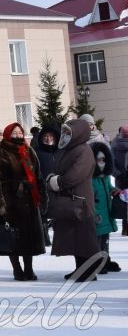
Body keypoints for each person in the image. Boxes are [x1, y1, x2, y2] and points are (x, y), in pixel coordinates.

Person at [45, 120, 102, 282]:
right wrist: (53, 179)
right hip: (71, 199)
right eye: (65, 132)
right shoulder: (68, 150)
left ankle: (89, 271)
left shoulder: (83, 150)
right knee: (75, 237)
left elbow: (75, 175)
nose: (65, 136)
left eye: (69, 133)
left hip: (80, 199)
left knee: (85, 237)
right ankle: (80, 269)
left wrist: (57, 182)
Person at [0, 123, 46, 281]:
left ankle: (29, 268)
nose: (18, 135)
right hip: (10, 201)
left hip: (29, 201)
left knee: (28, 237)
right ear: (8, 134)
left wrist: (41, 197)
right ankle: (17, 269)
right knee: (12, 237)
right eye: (15, 133)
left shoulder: (28, 150)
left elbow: (38, 175)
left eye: (20, 133)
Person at [90, 143, 121, 274]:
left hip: (107, 213)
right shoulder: (90, 179)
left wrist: (114, 191)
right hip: (97, 214)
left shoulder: (106, 177)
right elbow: (89, 197)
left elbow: (109, 188)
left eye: (103, 160)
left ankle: (105, 259)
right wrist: (94, 213)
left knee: (105, 239)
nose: (101, 163)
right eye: (98, 160)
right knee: (97, 240)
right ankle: (97, 262)